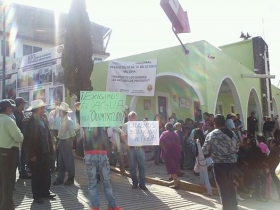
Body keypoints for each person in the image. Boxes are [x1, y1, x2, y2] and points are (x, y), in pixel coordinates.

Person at [202, 114, 240, 210]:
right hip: (232, 165)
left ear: (215, 124)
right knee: (231, 186)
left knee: (223, 189)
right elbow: (237, 148)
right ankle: (234, 207)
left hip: (219, 165)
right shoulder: (233, 134)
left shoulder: (211, 135)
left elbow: (204, 151)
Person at [22, 99, 55, 204]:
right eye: (42, 108)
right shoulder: (29, 122)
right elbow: (27, 140)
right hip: (36, 153)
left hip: (45, 152)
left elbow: (47, 135)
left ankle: (45, 192)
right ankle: (37, 196)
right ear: (37, 110)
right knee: (36, 175)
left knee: (46, 173)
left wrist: (51, 149)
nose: (44, 109)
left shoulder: (43, 119)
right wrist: (31, 154)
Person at [83, 125, 122, 210]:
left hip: (102, 154)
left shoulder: (104, 118)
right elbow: (78, 112)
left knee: (106, 182)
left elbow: (111, 127)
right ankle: (96, 206)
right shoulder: (84, 116)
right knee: (93, 183)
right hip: (91, 154)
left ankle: (112, 205)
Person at [0, 100, 24, 210]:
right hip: (8, 154)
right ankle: (7, 206)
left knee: (1, 180)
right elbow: (19, 137)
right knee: (8, 182)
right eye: (11, 107)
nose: (12, 109)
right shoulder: (8, 120)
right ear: (7, 108)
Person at [121, 111, 148, 190]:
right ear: (129, 118)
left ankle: (142, 184)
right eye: (131, 116)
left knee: (142, 166)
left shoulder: (140, 125)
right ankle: (135, 183)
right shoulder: (126, 125)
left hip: (140, 148)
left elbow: (146, 132)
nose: (133, 118)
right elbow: (123, 136)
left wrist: (146, 124)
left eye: (134, 116)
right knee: (132, 167)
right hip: (131, 149)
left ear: (136, 117)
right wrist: (127, 144)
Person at [53, 102, 76, 186]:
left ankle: (70, 177)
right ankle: (60, 178)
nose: (59, 112)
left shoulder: (68, 121)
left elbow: (73, 134)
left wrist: (73, 147)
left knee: (68, 161)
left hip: (67, 141)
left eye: (60, 111)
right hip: (63, 141)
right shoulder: (62, 120)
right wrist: (59, 142)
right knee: (61, 161)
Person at [160, 123, 182, 189]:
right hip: (176, 153)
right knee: (174, 166)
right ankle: (171, 178)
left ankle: (176, 184)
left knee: (172, 168)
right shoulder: (176, 134)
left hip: (169, 153)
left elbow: (160, 142)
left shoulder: (164, 133)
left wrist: (164, 150)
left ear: (166, 127)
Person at [14, 97, 31, 179]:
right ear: (20, 104)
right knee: (18, 157)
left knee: (23, 156)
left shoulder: (22, 113)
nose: (24, 105)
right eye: (23, 103)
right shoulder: (14, 114)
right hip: (17, 138)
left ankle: (23, 172)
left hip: (24, 138)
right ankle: (20, 171)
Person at [48, 100, 62, 171]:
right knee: (53, 149)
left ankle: (60, 165)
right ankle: (52, 166)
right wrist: (54, 115)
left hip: (60, 132)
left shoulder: (62, 113)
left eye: (58, 104)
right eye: (56, 104)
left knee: (59, 149)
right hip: (53, 131)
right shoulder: (51, 113)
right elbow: (50, 122)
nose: (57, 105)